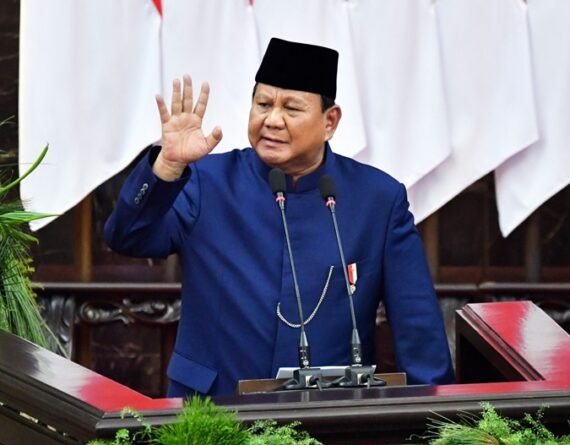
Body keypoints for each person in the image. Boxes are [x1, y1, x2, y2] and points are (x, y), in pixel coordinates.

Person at [105, 37, 454, 397]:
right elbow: (127, 237)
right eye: (263, 104)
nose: (272, 120)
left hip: (329, 413)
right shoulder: (206, 181)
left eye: (291, 109)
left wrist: (442, 419)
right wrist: (167, 166)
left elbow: (418, 328)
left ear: (330, 121)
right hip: (213, 408)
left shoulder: (377, 200)